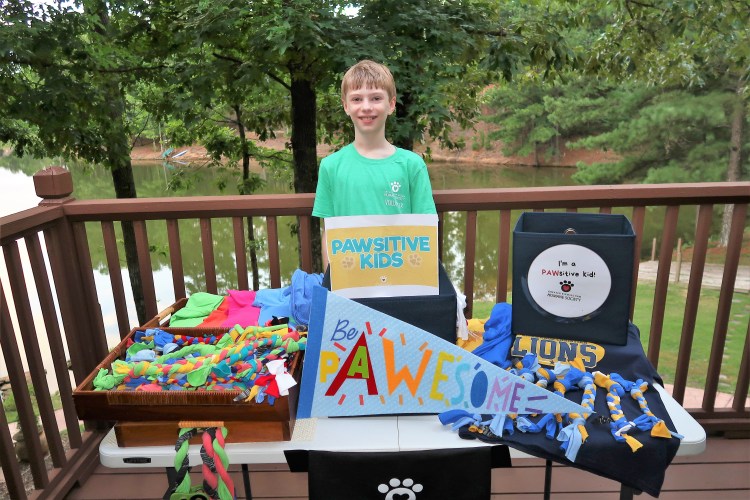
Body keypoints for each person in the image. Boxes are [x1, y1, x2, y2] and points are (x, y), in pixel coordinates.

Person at [312, 59, 437, 220]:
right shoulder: (330, 166)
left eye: (376, 98)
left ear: (391, 105)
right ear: (346, 106)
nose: (366, 107)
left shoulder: (412, 165)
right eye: (357, 99)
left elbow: (425, 229)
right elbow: (330, 231)